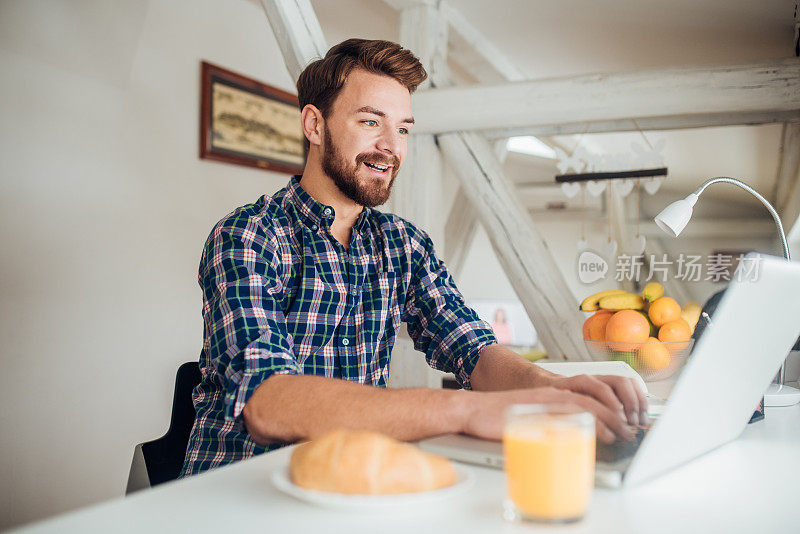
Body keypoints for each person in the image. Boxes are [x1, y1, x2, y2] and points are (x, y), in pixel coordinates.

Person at [180, 39, 646, 477]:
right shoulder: (249, 235)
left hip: (350, 487)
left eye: (402, 128)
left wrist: (554, 388)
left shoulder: (404, 245)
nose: (391, 147)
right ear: (315, 125)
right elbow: (268, 402)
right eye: (370, 122)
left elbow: (474, 351)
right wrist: (469, 410)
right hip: (237, 496)